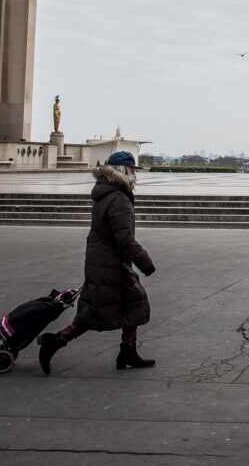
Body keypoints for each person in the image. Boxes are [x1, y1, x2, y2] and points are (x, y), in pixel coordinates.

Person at [39, 151, 157, 374]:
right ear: (123, 171)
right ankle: (55, 341)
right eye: (132, 170)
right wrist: (145, 262)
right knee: (95, 312)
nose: (135, 175)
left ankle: (128, 351)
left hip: (103, 260)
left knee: (132, 303)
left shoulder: (107, 194)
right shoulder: (118, 199)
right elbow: (124, 238)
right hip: (110, 264)